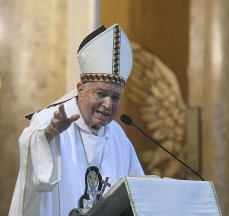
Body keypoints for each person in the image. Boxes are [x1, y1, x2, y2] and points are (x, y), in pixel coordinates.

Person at [8, 24, 144, 216]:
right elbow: (30, 146)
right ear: (81, 89)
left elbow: (138, 194)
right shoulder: (50, 120)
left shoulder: (117, 135)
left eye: (115, 98)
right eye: (101, 93)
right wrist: (49, 135)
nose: (108, 104)